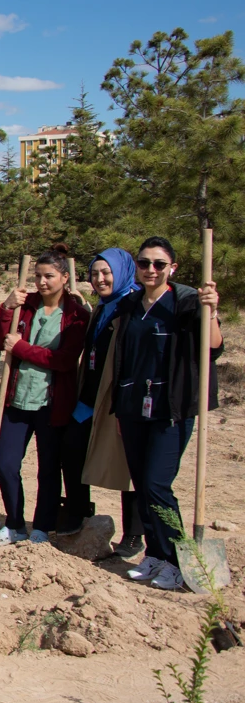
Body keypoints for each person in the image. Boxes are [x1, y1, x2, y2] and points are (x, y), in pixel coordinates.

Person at [113, 237, 221, 591]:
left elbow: (213, 346)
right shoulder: (131, 303)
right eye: (144, 263)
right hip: (133, 406)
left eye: (159, 264)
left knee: (158, 484)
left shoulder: (187, 300)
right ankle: (156, 555)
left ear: (171, 267)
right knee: (143, 485)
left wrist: (213, 311)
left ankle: (179, 559)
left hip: (170, 410)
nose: (151, 270)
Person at [0, 248, 90, 546]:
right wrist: (7, 308)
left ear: (65, 277)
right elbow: (2, 339)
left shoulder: (76, 314)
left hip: (52, 403)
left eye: (49, 276)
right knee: (5, 464)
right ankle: (15, 523)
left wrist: (21, 349)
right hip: (17, 398)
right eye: (38, 276)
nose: (42, 282)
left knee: (48, 469)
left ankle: (43, 526)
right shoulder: (26, 305)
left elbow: (64, 360)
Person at [70, 249, 142, 555]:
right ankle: (80, 516)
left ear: (123, 272)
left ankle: (133, 534)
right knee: (71, 451)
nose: (100, 279)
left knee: (127, 466)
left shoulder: (133, 307)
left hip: (116, 397)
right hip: (89, 395)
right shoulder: (102, 307)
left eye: (106, 273)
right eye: (95, 274)